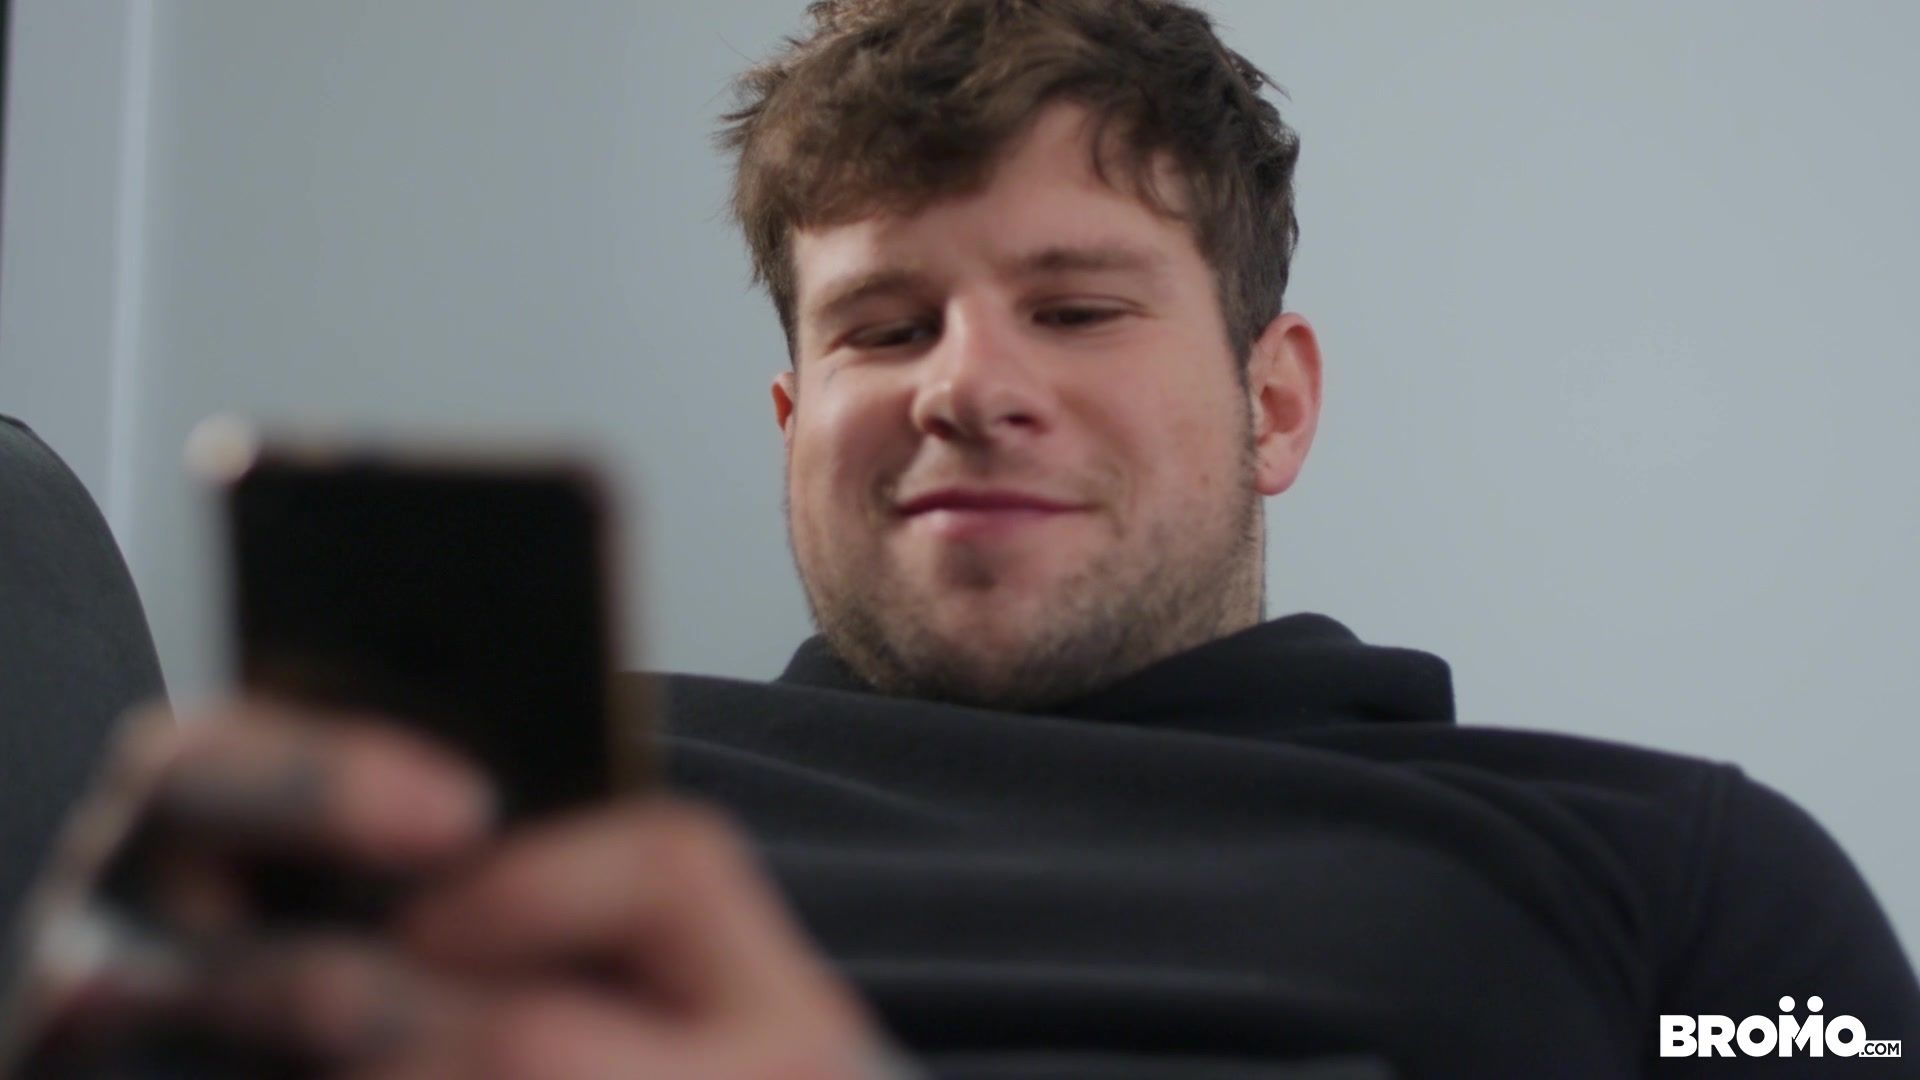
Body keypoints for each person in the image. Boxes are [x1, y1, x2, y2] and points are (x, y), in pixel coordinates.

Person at [7, 0, 1918, 1076]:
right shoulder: (529, 793)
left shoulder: (1680, 881)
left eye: (1075, 308)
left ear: (1273, 403)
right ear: (793, 433)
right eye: (883, 327)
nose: (967, 384)